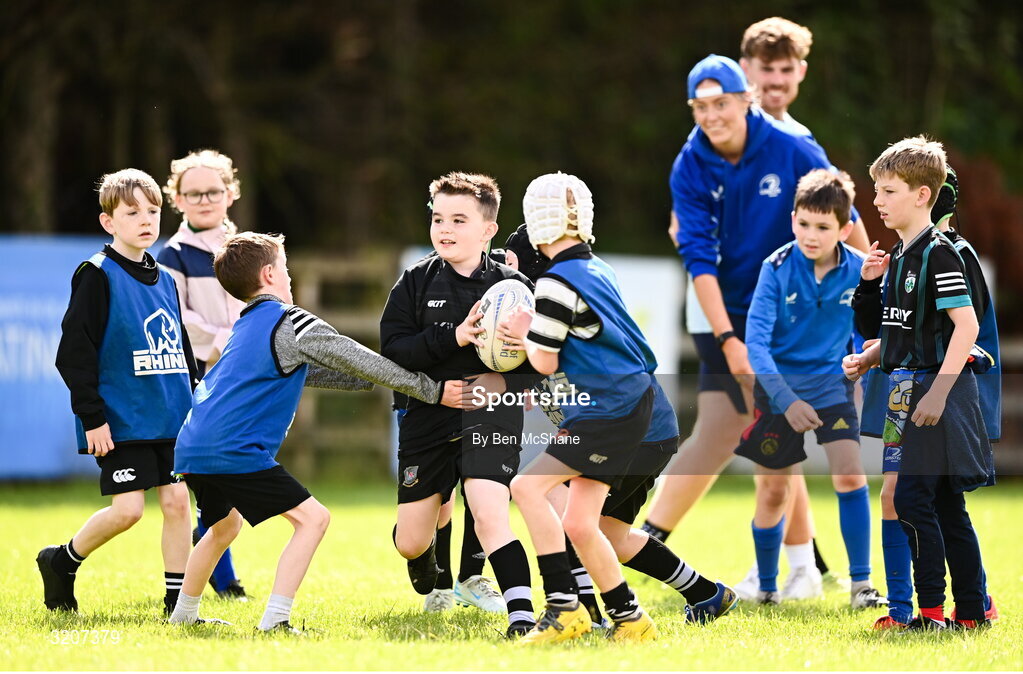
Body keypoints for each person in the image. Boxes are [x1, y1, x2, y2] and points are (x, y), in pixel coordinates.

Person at [642, 54, 864, 596]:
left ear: (746, 100)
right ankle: (797, 566)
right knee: (746, 430)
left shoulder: (793, 147)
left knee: (757, 433)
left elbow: (848, 229)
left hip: (782, 316)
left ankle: (795, 568)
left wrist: (866, 320)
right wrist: (728, 340)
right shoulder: (688, 163)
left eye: (722, 103)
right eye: (701, 106)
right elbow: (697, 257)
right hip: (723, 315)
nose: (712, 116)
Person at [167, 231, 452, 631]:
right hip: (234, 450)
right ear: (269, 274)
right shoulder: (292, 321)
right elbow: (360, 359)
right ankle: (276, 621)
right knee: (313, 519)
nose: (289, 275)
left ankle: (183, 616)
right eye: (285, 268)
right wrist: (432, 389)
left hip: (194, 447)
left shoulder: (246, 324)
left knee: (222, 527)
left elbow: (306, 370)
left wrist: (366, 381)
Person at [500, 172, 660, 644]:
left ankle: (563, 609)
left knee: (526, 487)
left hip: (605, 409)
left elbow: (545, 360)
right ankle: (631, 621)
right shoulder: (599, 269)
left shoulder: (553, 283)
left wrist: (525, 329)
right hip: (633, 402)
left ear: (534, 224)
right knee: (579, 521)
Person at [379, 172, 538, 638]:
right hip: (426, 415)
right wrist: (455, 337)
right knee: (411, 542)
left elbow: (546, 361)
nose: (444, 228)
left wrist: (504, 375)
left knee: (490, 510)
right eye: (438, 218)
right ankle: (428, 562)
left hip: (491, 413)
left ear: (488, 229)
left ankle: (521, 618)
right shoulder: (414, 282)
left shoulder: (515, 288)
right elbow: (393, 352)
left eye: (458, 220)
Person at [843, 136, 991, 630]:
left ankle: (927, 614)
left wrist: (938, 392)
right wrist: (871, 359)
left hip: (934, 393)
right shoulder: (901, 256)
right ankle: (970, 612)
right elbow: (905, 331)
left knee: (909, 500)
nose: (877, 202)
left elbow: (965, 328)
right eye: (877, 191)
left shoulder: (939, 253)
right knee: (945, 505)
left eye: (887, 191)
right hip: (906, 390)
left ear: (922, 195)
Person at [39, 169, 195, 615]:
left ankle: (176, 604)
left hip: (170, 416)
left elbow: (180, 349)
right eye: (132, 212)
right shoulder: (96, 274)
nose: (146, 220)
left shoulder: (166, 278)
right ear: (109, 222)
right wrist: (92, 416)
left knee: (178, 502)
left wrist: (196, 400)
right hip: (121, 420)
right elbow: (73, 354)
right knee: (128, 511)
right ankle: (62, 561)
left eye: (153, 210)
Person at [741, 169, 883, 608]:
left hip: (831, 388)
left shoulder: (864, 269)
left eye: (823, 227)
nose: (811, 234)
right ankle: (766, 588)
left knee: (848, 473)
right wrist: (787, 401)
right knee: (774, 492)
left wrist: (861, 359)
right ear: (793, 220)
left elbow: (872, 330)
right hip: (777, 391)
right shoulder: (775, 268)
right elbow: (756, 346)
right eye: (803, 223)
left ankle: (862, 587)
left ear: (844, 229)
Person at [157, 148, 248, 600]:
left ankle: (213, 562)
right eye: (193, 193)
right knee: (213, 476)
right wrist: (226, 341)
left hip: (246, 375)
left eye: (213, 190)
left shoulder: (247, 247)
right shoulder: (174, 254)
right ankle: (223, 576)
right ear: (178, 199)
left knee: (228, 472)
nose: (204, 199)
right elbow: (177, 318)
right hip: (202, 376)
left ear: (230, 192)